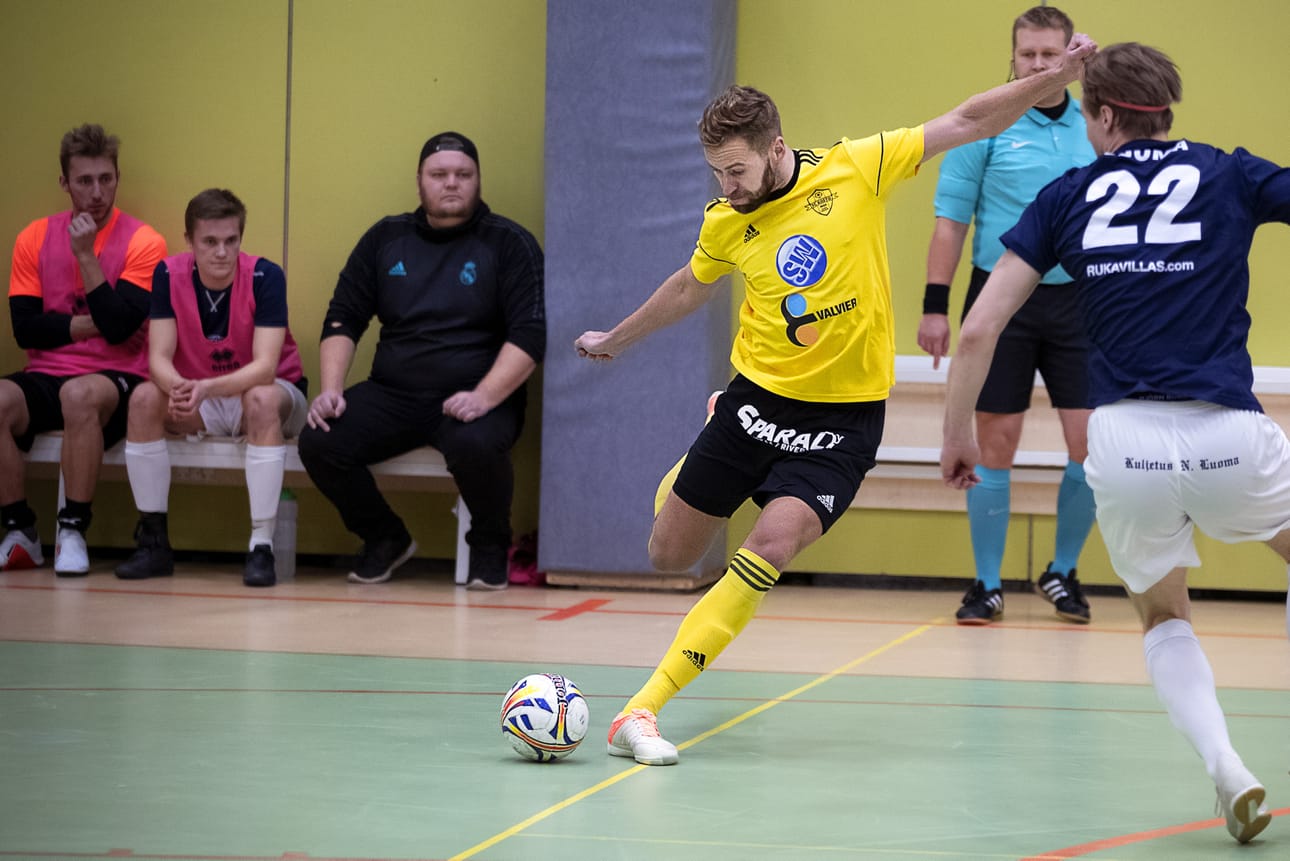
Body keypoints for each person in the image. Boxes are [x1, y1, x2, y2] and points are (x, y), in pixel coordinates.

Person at [574, 32, 1096, 766]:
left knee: (771, 546)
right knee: (668, 553)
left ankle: (642, 709)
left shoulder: (856, 166)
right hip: (756, 402)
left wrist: (1058, 75)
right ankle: (710, 437)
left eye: (736, 169)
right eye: (717, 172)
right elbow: (692, 286)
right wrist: (619, 338)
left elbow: (970, 120)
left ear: (775, 145)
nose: (727, 185)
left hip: (843, 420)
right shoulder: (727, 220)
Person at [940, 42, 1285, 844]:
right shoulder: (1228, 172)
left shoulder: (1069, 195)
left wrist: (957, 435)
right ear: (1167, 111)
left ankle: (1227, 764)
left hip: (1123, 442)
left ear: (1100, 115)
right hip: (1231, 431)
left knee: (1163, 613)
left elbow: (980, 329)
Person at [298, 131, 545, 590]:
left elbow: (530, 336)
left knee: (476, 443)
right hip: (393, 392)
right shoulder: (385, 239)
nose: (451, 183)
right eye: (439, 174)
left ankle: (491, 547)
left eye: (463, 175)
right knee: (319, 439)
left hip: (477, 394)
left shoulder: (509, 243)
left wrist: (484, 397)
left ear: (477, 181)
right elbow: (343, 319)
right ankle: (384, 537)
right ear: (419, 182)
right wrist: (330, 390)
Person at [919, 6, 1098, 626]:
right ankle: (988, 584)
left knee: (1091, 446)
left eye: (1053, 55)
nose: (1041, 66)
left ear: (1072, 58)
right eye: (1030, 56)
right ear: (1014, 58)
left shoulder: (1097, 124)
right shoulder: (987, 126)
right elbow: (950, 223)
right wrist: (935, 307)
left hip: (1081, 300)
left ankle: (1063, 571)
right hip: (999, 300)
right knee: (995, 443)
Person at [113, 189, 308, 588]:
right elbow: (158, 359)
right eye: (210, 242)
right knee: (145, 397)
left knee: (260, 398)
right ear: (189, 241)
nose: (222, 252)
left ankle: (261, 545)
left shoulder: (265, 276)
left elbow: (266, 368)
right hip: (202, 397)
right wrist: (178, 387)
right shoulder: (168, 274)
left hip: (269, 396)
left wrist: (205, 388)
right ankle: (153, 542)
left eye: (231, 241)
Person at [1, 123, 166, 576]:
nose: (97, 192)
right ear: (65, 183)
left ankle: (72, 530)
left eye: (106, 179)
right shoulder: (33, 237)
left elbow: (117, 332)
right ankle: (20, 531)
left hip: (116, 377)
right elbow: (25, 330)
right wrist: (84, 324)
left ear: (117, 176)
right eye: (84, 181)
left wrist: (86, 255)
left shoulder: (144, 241)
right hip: (45, 373)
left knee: (78, 396)